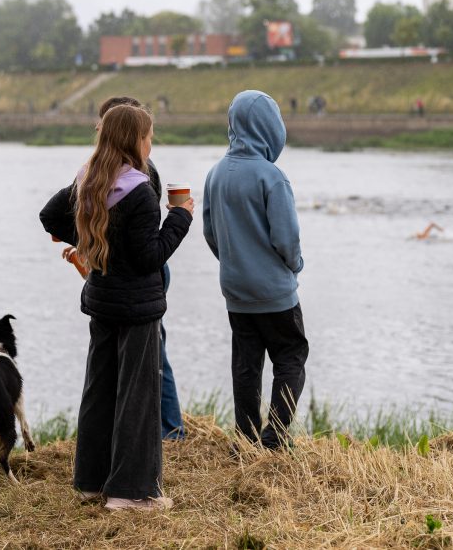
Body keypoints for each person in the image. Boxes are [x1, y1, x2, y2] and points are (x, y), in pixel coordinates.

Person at [40, 104, 193, 510]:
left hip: (102, 300)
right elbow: (150, 258)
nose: (150, 143)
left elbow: (49, 215)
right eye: (148, 136)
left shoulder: (89, 180)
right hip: (137, 307)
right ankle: (131, 493)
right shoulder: (140, 192)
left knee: (100, 390)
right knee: (137, 396)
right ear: (134, 140)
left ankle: (91, 482)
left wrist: (93, 241)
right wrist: (180, 217)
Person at [56, 95, 187, 440]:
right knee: (134, 362)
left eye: (102, 126)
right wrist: (87, 241)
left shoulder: (138, 177)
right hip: (125, 280)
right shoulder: (104, 174)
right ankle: (153, 432)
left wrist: (180, 219)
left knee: (150, 357)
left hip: (140, 279)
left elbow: (142, 247)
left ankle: (170, 431)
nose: (97, 131)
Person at [202, 90, 309, 451]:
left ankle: (246, 438)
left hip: (236, 291)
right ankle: (276, 436)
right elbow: (287, 239)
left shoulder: (215, 175)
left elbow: (210, 232)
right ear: (270, 128)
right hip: (275, 292)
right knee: (290, 357)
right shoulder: (271, 177)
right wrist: (295, 266)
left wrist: (234, 262)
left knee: (246, 366)